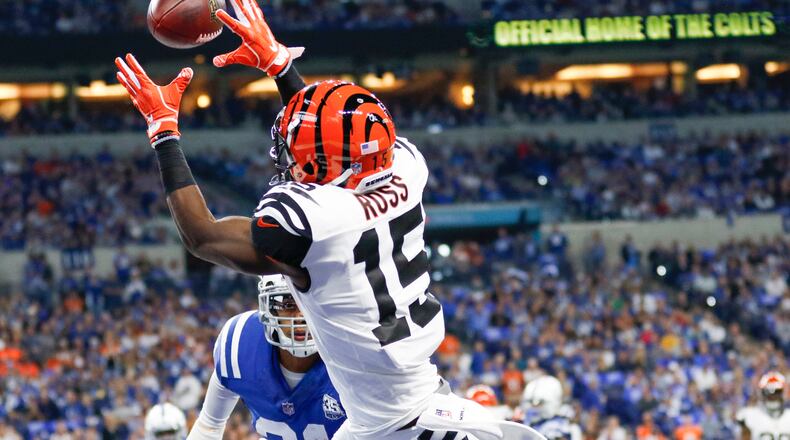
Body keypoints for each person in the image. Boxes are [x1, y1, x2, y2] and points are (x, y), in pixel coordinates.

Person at [113, 1, 543, 439]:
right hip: (417, 395)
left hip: (389, 425)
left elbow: (203, 237)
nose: (290, 158)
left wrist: (163, 132)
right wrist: (280, 66)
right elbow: (333, 137)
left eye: (298, 152)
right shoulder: (407, 167)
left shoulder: (313, 223)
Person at [187, 275, 346, 439]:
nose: (300, 317)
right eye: (288, 304)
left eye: (310, 303)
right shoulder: (241, 344)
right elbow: (209, 425)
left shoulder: (352, 351)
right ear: (269, 309)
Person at [521, 376, 582, 440]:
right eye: (531, 403)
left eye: (540, 403)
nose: (534, 408)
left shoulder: (563, 425)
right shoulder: (524, 422)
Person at [736, 371, 790, 439]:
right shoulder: (751, 415)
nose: (772, 398)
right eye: (769, 395)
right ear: (762, 394)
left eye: (776, 394)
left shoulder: (788, 416)